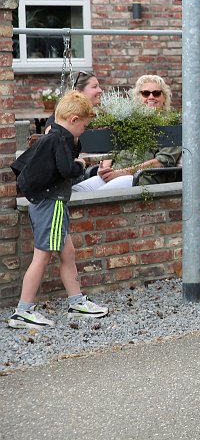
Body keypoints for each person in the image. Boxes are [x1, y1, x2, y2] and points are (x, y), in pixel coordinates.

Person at [8, 91, 109, 328]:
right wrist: (80, 165)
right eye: (84, 126)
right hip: (51, 204)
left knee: (67, 253)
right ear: (73, 119)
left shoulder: (54, 135)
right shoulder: (58, 140)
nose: (83, 130)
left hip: (48, 203)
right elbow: (67, 169)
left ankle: (76, 302)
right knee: (43, 256)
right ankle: (23, 311)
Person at [72, 74, 182, 191]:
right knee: (76, 191)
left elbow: (163, 161)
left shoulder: (172, 124)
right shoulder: (131, 120)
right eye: (145, 93)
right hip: (116, 174)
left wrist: (122, 172)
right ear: (138, 97)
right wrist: (104, 167)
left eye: (156, 93)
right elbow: (115, 148)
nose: (151, 97)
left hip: (142, 179)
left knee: (99, 195)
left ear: (164, 97)